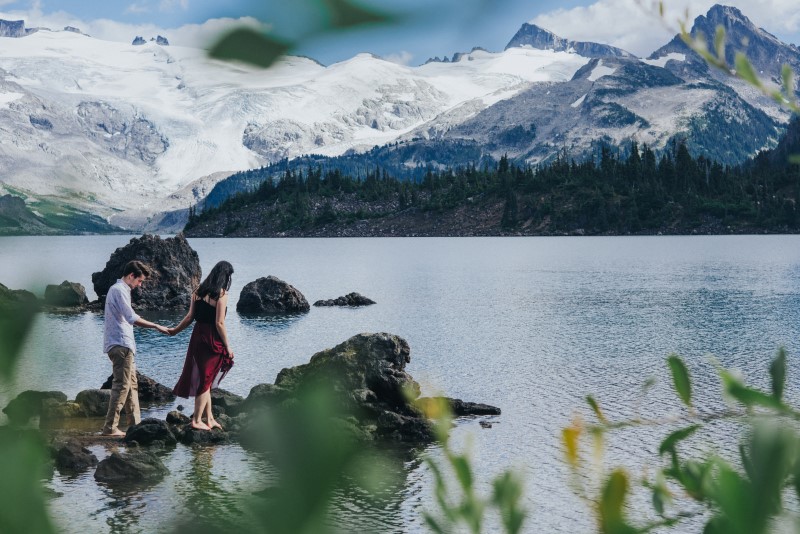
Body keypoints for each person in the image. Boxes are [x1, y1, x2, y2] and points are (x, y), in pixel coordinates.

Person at [102, 260, 170, 437]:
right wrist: (156, 326)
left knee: (132, 385)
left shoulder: (120, 290)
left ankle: (135, 427)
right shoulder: (119, 290)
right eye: (139, 281)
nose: (140, 285)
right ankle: (110, 428)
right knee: (122, 386)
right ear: (131, 276)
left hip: (122, 344)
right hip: (120, 344)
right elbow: (131, 317)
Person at [169, 260, 235, 431]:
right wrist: (228, 346)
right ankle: (196, 420)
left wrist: (175, 330)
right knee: (205, 381)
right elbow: (219, 322)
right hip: (212, 338)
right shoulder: (221, 294)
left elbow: (190, 317)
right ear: (225, 276)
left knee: (207, 377)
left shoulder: (197, 291)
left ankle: (210, 418)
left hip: (197, 336)